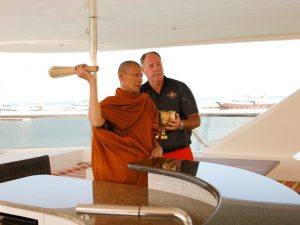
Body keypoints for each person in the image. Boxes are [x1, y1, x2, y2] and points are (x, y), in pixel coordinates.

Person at [75, 61, 163, 186]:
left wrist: (158, 147)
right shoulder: (110, 104)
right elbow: (96, 122)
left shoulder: (147, 102)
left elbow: (151, 135)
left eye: (141, 76)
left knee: (145, 204)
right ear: (122, 77)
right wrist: (91, 81)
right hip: (120, 171)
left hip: (145, 167)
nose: (140, 80)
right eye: (135, 75)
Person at [140, 51, 200, 160]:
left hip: (181, 152)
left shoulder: (180, 87)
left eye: (159, 64)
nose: (156, 68)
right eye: (151, 66)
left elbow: (196, 120)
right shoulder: (139, 93)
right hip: (151, 155)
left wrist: (180, 124)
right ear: (143, 70)